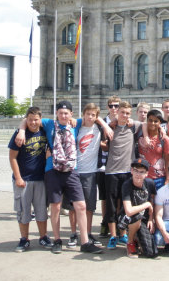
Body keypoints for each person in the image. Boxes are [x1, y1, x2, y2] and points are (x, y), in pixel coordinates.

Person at [15, 100, 109, 254]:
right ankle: (57, 240)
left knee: (81, 206)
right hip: (53, 170)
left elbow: (92, 116)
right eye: (60, 113)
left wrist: (104, 125)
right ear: (56, 114)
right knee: (56, 207)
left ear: (71, 114)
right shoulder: (49, 124)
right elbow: (29, 119)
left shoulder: (76, 123)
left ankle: (85, 241)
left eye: (66, 113)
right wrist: (21, 130)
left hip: (72, 171)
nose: (63, 115)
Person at [8, 106, 52, 252]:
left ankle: (43, 237)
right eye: (30, 120)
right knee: (23, 211)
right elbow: (12, 157)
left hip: (40, 178)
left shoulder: (44, 131)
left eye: (36, 120)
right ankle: (24, 239)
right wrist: (18, 178)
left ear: (40, 120)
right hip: (23, 179)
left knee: (42, 211)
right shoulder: (19, 134)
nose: (33, 122)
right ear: (27, 119)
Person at [66, 103, 107, 248]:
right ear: (83, 114)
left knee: (89, 207)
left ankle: (88, 233)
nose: (90, 117)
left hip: (90, 173)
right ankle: (73, 233)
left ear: (96, 117)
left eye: (93, 115)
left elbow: (110, 126)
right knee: (73, 207)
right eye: (88, 114)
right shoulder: (75, 126)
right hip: (75, 171)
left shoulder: (98, 127)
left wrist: (102, 122)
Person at [105, 101, 143, 250]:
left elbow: (148, 124)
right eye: (122, 113)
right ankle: (113, 236)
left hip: (128, 171)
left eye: (128, 113)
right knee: (112, 205)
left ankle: (123, 233)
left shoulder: (134, 126)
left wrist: (134, 121)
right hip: (112, 171)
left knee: (125, 205)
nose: (125, 116)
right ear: (117, 112)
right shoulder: (109, 127)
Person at [121, 158, 158, 258]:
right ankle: (130, 242)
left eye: (142, 172)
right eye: (136, 170)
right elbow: (128, 211)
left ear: (146, 174)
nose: (138, 174)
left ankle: (138, 238)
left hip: (144, 218)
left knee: (151, 252)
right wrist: (146, 205)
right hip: (127, 219)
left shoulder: (150, 183)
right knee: (136, 217)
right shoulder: (127, 185)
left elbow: (152, 202)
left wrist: (151, 219)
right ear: (131, 171)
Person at [98, 95, 120, 238]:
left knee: (118, 197)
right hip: (103, 165)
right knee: (105, 197)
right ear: (107, 107)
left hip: (118, 164)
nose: (113, 108)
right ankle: (105, 223)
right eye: (111, 106)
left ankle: (117, 224)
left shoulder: (123, 122)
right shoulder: (101, 123)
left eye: (116, 106)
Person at [138, 109, 169, 191]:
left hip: (159, 178)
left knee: (158, 203)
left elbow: (168, 161)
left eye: (156, 121)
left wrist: (167, 179)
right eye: (150, 120)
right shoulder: (139, 133)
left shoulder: (164, 139)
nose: (152, 123)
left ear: (160, 123)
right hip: (141, 177)